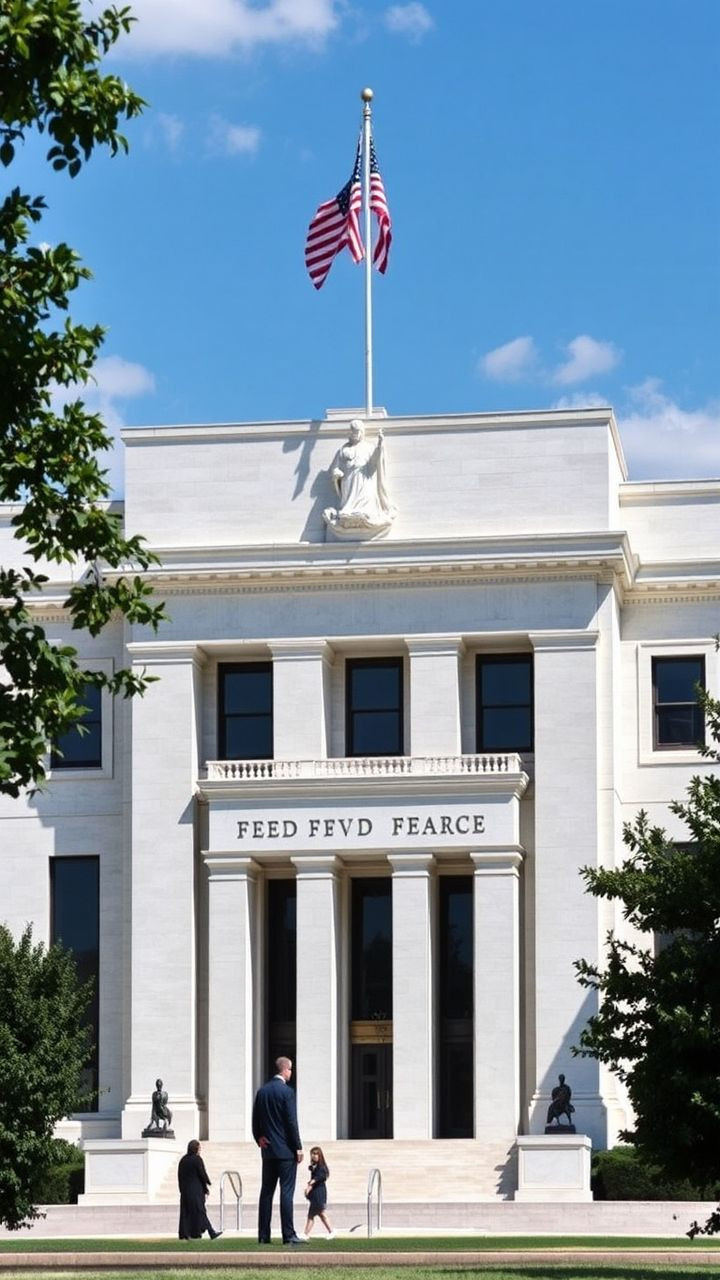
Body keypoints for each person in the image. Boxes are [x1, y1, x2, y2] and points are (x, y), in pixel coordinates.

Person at [252, 1056, 305, 1245]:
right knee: (286, 1192)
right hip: (286, 1151)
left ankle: (263, 1235)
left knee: (266, 1192)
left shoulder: (262, 1091)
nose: (291, 1073)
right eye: (290, 1069)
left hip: (268, 1151)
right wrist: (298, 1147)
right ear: (285, 1070)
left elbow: (255, 1119)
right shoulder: (287, 1092)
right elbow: (291, 1122)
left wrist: (259, 1137)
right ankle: (288, 1234)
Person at [323, 420, 396, 536]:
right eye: (353, 431)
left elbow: (375, 461)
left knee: (366, 496)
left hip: (365, 479)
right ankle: (348, 513)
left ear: (362, 432)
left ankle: (366, 513)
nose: (355, 434)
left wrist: (380, 445)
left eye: (357, 431)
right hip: (349, 480)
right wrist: (336, 472)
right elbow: (335, 466)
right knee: (349, 499)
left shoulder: (369, 447)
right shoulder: (344, 449)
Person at [177, 1139, 222, 1241]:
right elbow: (202, 1174)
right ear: (196, 1149)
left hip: (185, 1191)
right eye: (199, 1148)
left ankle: (186, 1233)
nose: (200, 1150)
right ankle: (211, 1232)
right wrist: (207, 1185)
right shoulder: (197, 1159)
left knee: (186, 1213)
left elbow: (179, 1176)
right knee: (201, 1212)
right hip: (196, 1191)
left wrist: (181, 1189)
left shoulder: (183, 1160)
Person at [302, 1146, 335, 1240]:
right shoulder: (315, 1166)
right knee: (317, 1214)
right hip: (316, 1193)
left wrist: (310, 1185)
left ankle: (306, 1234)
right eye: (312, 1154)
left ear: (320, 1155)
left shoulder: (321, 1167)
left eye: (316, 1154)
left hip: (319, 1193)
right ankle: (306, 1234)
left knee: (316, 1213)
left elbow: (320, 1177)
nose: (314, 1156)